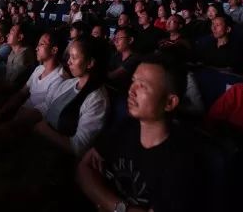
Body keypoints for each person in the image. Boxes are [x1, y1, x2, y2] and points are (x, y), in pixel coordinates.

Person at [76, 55, 203, 212]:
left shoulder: (181, 160)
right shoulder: (126, 127)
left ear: (169, 102)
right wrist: (119, 207)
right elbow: (83, 168)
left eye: (142, 86)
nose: (131, 90)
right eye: (133, 81)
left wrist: (102, 197)